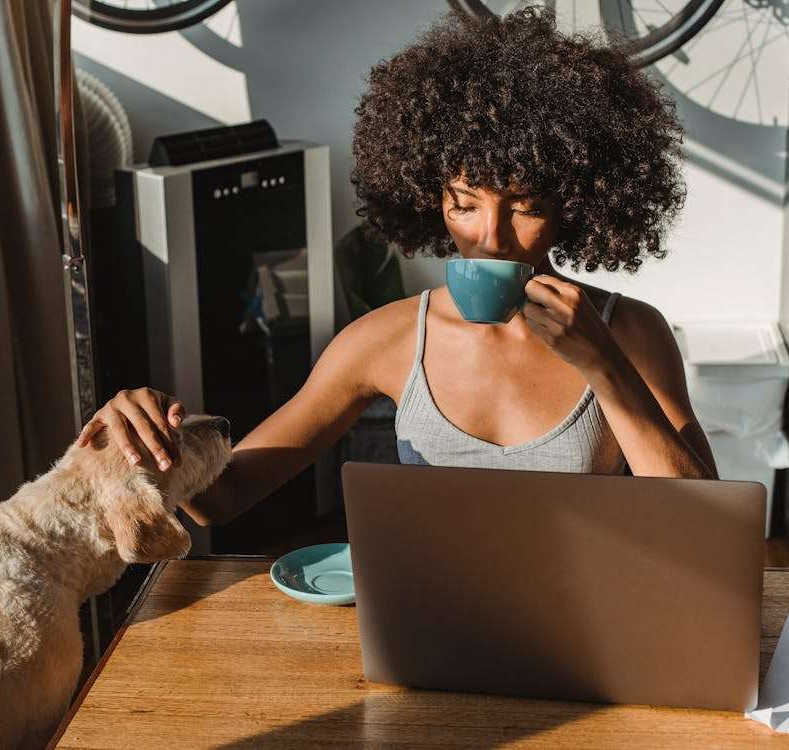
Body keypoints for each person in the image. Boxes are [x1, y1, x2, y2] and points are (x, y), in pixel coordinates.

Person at [77, 7, 717, 527]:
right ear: (429, 196)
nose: (489, 239)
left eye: (525, 207)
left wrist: (603, 365)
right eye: (463, 205)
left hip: (590, 621)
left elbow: (705, 522)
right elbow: (224, 498)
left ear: (576, 208)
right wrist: (153, 437)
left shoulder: (627, 333)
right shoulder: (382, 342)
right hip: (431, 622)